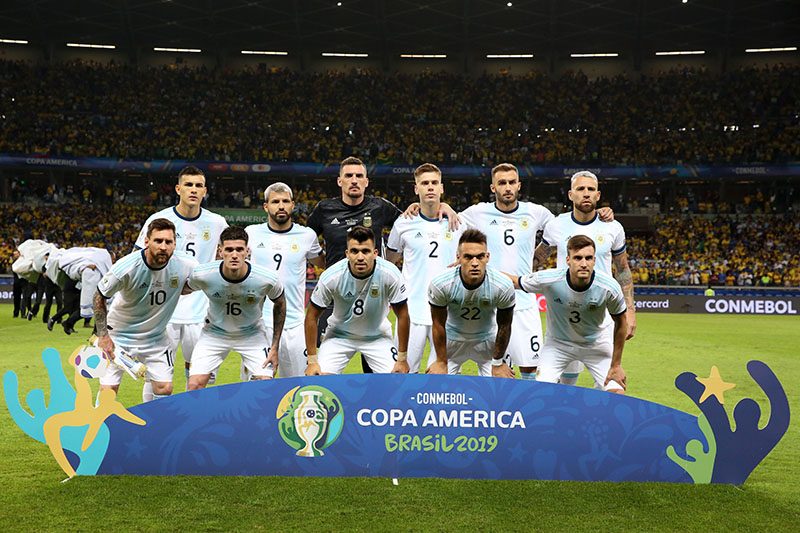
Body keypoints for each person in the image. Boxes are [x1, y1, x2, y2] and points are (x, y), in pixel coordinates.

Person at [306, 156, 456, 373]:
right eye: (349, 176)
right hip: (336, 296)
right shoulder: (325, 209)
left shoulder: (379, 207)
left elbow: (414, 221)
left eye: (359, 176)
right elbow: (305, 240)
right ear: (340, 181)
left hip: (374, 294)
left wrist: (442, 205)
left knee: (377, 371)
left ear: (366, 181)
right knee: (323, 367)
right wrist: (324, 265)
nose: (354, 180)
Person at [534, 170, 635, 385]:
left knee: (609, 381)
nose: (586, 193)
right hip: (565, 318)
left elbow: (623, 271)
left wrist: (630, 311)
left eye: (591, 189)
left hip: (602, 315)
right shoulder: (556, 225)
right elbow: (536, 260)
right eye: (580, 189)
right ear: (571, 195)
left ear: (598, 195)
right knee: (567, 382)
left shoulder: (613, 227)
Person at [135, 165, 228, 398]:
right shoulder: (159, 219)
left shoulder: (217, 223)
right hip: (162, 310)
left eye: (198, 186)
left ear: (205, 191)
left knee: (197, 376)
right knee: (157, 376)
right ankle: (151, 417)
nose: (193, 190)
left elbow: (230, 256)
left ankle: (191, 417)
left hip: (200, 311)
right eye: (188, 185)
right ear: (178, 189)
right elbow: (138, 259)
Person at [457, 163, 555, 380]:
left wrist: (536, 259)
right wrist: (444, 207)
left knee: (530, 368)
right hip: (491, 304)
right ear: (493, 188)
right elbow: (449, 223)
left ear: (519, 185)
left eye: (512, 182)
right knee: (497, 370)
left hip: (524, 302)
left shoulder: (536, 212)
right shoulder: (477, 212)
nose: (508, 187)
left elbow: (560, 231)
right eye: (502, 183)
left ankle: (528, 402)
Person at [94, 218, 197, 400]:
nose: (163, 247)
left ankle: (155, 419)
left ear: (175, 244)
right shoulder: (126, 268)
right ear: (147, 241)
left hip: (155, 339)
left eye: (168, 242)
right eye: (158, 241)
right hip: (119, 338)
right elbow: (99, 296)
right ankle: (100, 420)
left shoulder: (186, 264)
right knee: (108, 392)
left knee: (164, 388)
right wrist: (103, 336)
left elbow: (201, 281)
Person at [510, 235, 628, 392]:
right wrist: (484, 273)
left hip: (596, 345)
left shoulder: (609, 287)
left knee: (616, 392)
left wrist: (616, 365)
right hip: (558, 345)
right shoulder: (549, 279)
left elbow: (621, 322)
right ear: (568, 260)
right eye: (578, 258)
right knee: (540, 392)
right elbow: (515, 281)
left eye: (588, 258)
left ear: (594, 260)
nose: (584, 264)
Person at [185, 226, 286, 390]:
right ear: (220, 251)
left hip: (252, 334)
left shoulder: (266, 279)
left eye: (239, 249)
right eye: (229, 249)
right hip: (214, 334)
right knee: (194, 384)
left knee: (266, 385)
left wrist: (274, 347)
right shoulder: (203, 274)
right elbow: (181, 289)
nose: (234, 255)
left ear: (247, 251)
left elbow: (280, 303)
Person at [386, 163, 463, 373]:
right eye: (425, 183)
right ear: (416, 188)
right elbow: (389, 261)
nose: (430, 187)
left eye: (434, 183)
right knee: (403, 374)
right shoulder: (403, 223)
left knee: (442, 376)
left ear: (441, 188)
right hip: (411, 311)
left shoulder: (458, 223)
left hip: (448, 312)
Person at [304, 226, 410, 376]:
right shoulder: (332, 276)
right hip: (338, 336)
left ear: (375, 253)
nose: (360, 257)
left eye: (365, 251)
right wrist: (312, 361)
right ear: (347, 254)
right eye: (354, 251)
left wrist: (402, 359)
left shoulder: (390, 274)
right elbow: (311, 316)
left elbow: (403, 315)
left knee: (396, 378)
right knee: (319, 377)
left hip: (377, 336)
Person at [246, 183, 325, 378]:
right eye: (275, 202)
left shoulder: (307, 236)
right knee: (260, 383)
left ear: (293, 205)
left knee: (299, 384)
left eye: (285, 201)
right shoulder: (251, 233)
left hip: (295, 324)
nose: (281, 206)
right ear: (266, 207)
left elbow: (324, 263)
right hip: (259, 322)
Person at [427, 229, 516, 378]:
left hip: (487, 340)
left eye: (480, 257)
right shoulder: (441, 284)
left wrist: (498, 363)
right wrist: (441, 361)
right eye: (468, 257)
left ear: (487, 257)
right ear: (458, 258)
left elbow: (505, 325)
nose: (475, 263)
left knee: (503, 386)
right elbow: (438, 324)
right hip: (452, 340)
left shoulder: (502, 285)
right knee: (434, 384)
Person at [58, 246, 113, 334]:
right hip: (93, 290)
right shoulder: (95, 266)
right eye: (112, 258)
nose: (112, 261)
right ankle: (69, 323)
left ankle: (96, 330)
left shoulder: (100, 267)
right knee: (90, 309)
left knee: (99, 309)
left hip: (97, 290)